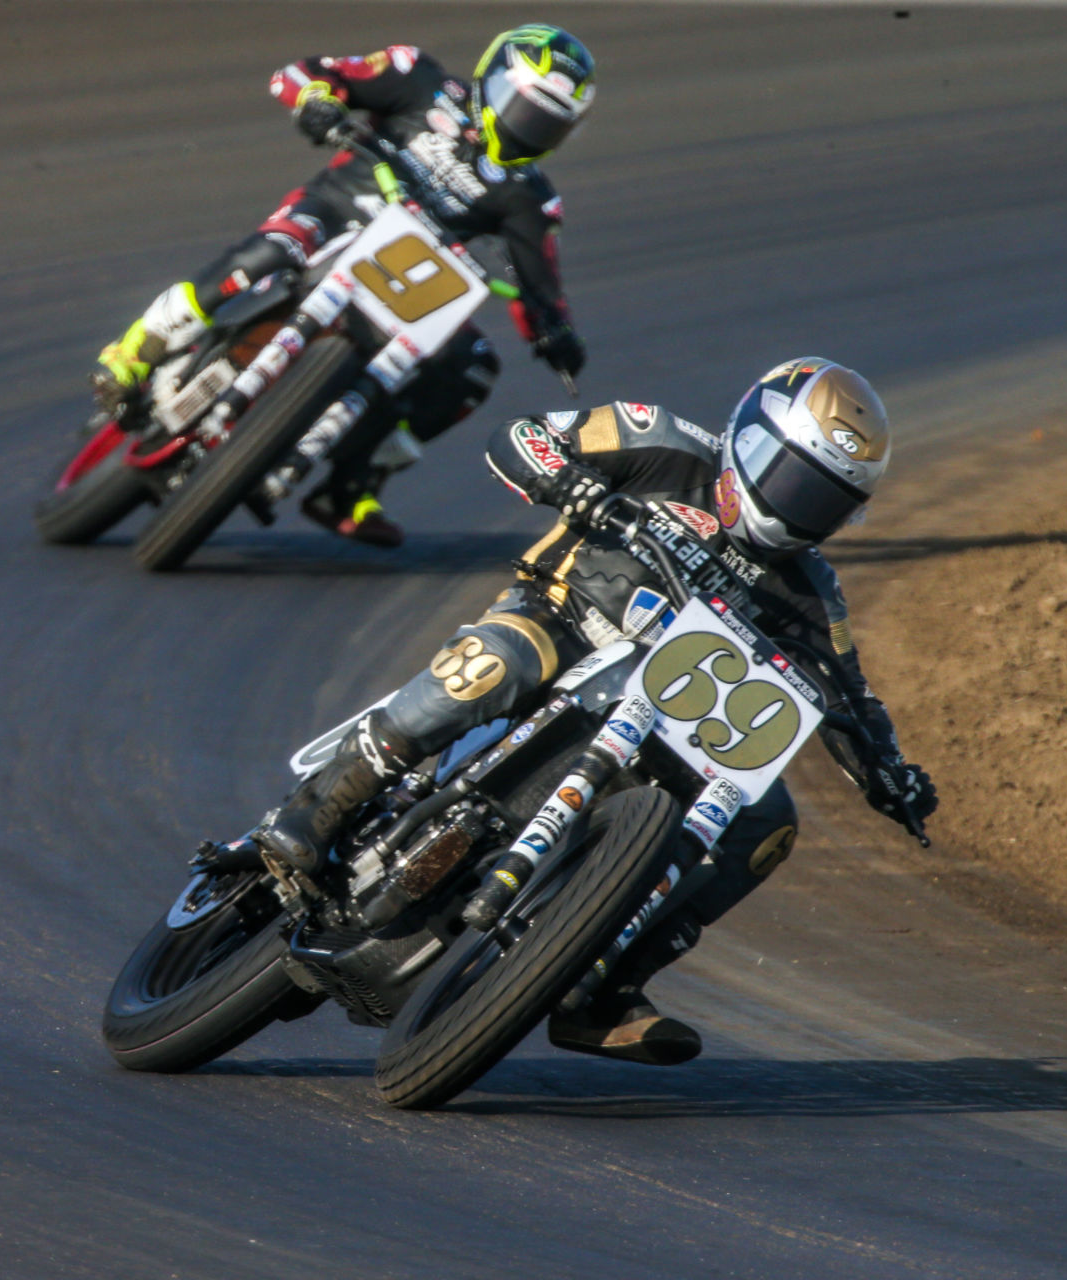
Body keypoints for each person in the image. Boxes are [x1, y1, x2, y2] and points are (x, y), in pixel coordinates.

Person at [252, 359, 939, 1065]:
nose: (797, 508)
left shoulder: (812, 593)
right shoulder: (662, 441)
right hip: (559, 622)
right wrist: (574, 485)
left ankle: (601, 987)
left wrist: (891, 773)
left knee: (768, 824)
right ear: (746, 437)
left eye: (822, 500)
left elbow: (849, 693)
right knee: (494, 665)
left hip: (668, 720)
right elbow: (520, 437)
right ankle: (324, 804)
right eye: (791, 478)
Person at [94, 26, 595, 547]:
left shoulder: (531, 198)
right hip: (333, 215)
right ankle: (136, 350)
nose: (529, 129)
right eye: (527, 108)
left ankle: (351, 482)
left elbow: (542, 285)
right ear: (492, 81)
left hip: (414, 287)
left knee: (470, 367)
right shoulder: (415, 77)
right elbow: (304, 74)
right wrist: (316, 102)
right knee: (267, 253)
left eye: (549, 124)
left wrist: (555, 333)